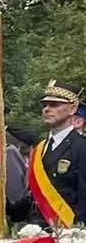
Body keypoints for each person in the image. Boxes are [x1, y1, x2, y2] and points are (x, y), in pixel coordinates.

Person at [10, 81, 86, 227]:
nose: (47, 109)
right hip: (34, 231)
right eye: (44, 105)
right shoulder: (40, 148)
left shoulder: (82, 147)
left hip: (68, 234)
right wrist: (6, 205)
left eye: (54, 105)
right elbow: (32, 197)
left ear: (72, 109)